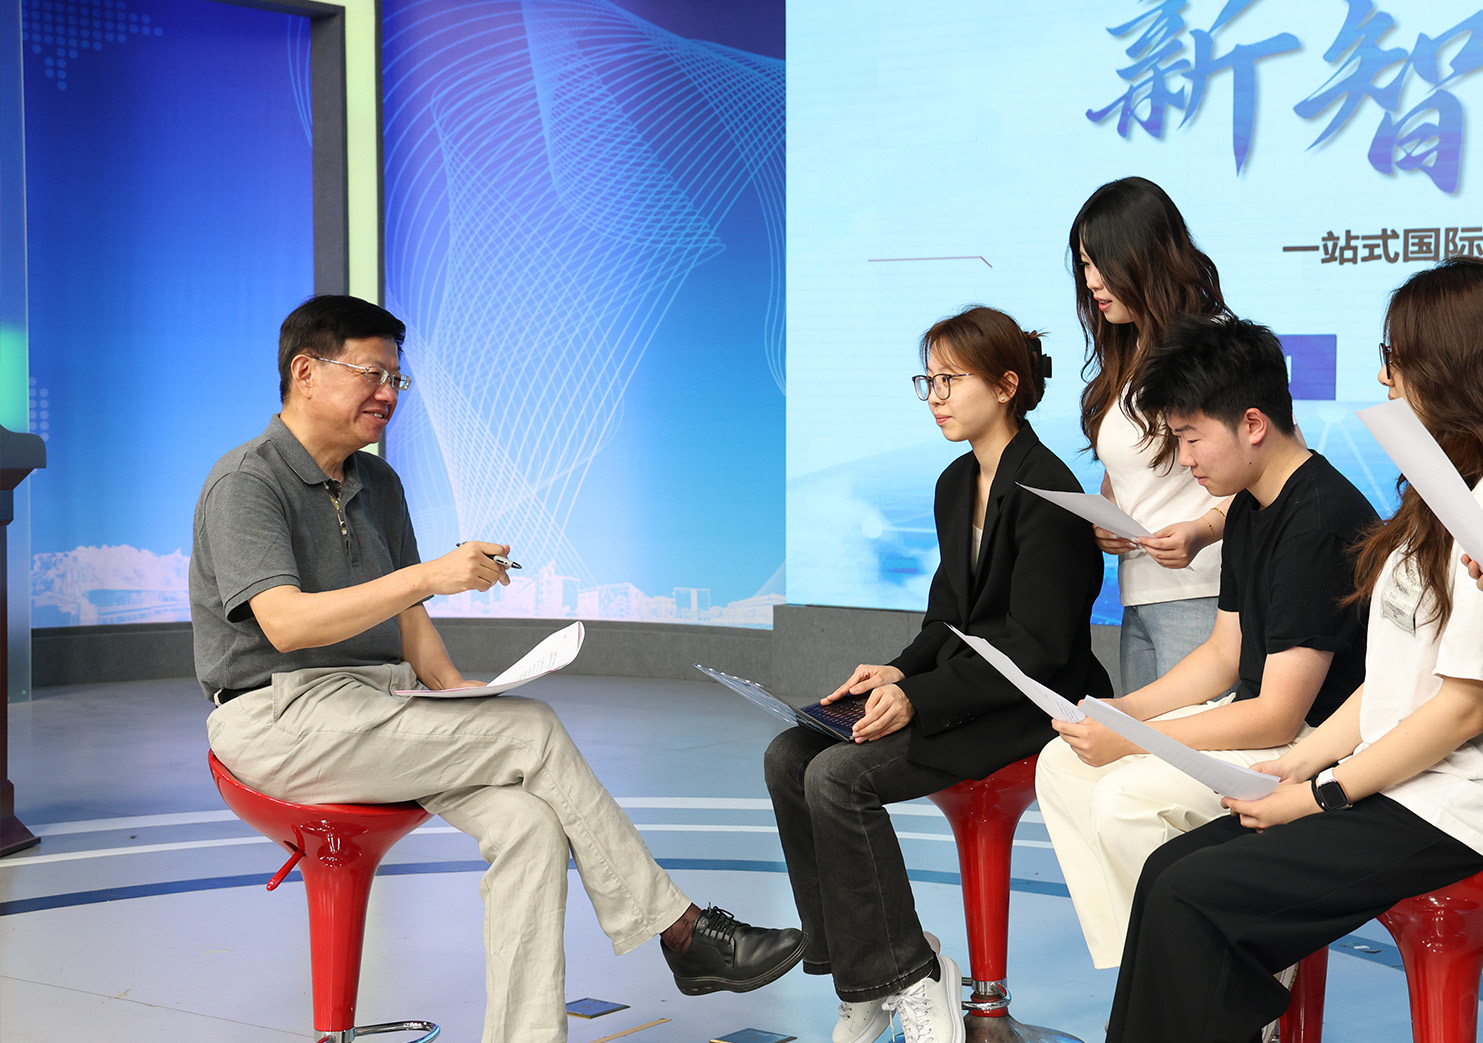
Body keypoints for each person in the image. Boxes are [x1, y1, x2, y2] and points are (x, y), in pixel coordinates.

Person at [191, 295, 806, 1043]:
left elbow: (409, 619)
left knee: (530, 825)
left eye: (395, 379)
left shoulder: (378, 484)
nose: (388, 394)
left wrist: (454, 690)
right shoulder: (246, 481)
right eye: (371, 374)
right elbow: (286, 625)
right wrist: (430, 575)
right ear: (305, 372)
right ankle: (683, 933)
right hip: (274, 716)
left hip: (377, 705)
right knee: (531, 730)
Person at [1105, 255, 1483, 1043]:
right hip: (1394, 773)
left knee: (1191, 896)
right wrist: (1301, 762)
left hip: (1449, 803)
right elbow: (1398, 677)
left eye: (1396, 358)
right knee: (1167, 871)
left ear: (1449, 368)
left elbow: (1459, 709)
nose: (1383, 379)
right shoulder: (1433, 496)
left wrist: (1321, 793)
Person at [764, 306, 1110, 1043]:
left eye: (951, 379)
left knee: (838, 777)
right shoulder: (956, 482)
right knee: (788, 755)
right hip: (967, 686)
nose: (935, 396)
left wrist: (916, 697)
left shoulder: (1049, 492)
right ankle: (863, 976)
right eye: (928, 380)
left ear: (1007, 386)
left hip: (1033, 703)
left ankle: (912, 974)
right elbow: (947, 618)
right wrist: (895, 669)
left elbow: (1038, 650)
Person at [1035, 313, 1376, 971]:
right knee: (1062, 763)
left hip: (1315, 744)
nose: (1184, 459)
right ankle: (1150, 977)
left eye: (1191, 438)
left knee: (1124, 801)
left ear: (1252, 424)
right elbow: (1223, 654)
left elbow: (1279, 716)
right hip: (1266, 721)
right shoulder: (1249, 504)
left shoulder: (1316, 521)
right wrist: (1122, 711)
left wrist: (1132, 737)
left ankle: (1204, 987)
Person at [1072, 177, 1233, 693]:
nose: (1092, 282)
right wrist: (1105, 518)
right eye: (1084, 266)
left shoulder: (1215, 343)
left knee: (1188, 740)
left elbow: (1273, 465)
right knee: (1142, 740)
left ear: (1141, 256)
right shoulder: (1128, 349)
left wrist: (1203, 530)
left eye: (1101, 264)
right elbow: (1126, 471)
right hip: (1138, 594)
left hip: (1205, 590)